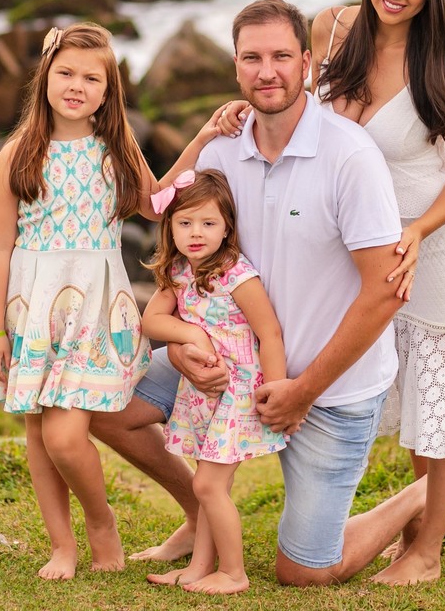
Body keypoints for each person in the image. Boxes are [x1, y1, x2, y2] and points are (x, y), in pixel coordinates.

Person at [90, 0, 436, 587]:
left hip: (328, 390)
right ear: (235, 67)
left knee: (304, 572)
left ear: (307, 64)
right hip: (231, 367)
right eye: (252, 58)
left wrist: (303, 389)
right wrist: (178, 347)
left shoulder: (349, 156)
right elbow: (173, 236)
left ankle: (423, 498)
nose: (266, 71)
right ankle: (201, 508)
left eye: (281, 56)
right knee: (102, 403)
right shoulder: (220, 154)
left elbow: (385, 293)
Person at [0, 22, 218, 580]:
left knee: (65, 433)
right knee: (40, 431)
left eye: (92, 78)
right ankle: (61, 545)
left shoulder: (114, 147)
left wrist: (202, 139)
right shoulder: (17, 154)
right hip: (34, 312)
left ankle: (101, 521)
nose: (76, 85)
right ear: (44, 79)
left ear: (108, 92)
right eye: (65, 73)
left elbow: (157, 204)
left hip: (94, 311)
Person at [312, 0, 445, 585]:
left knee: (441, 396)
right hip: (360, 248)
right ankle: (424, 518)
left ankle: (426, 552)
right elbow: (308, 124)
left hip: (436, 244)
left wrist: (417, 231)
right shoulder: (329, 30)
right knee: (397, 394)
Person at [141, 168, 286, 594]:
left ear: (227, 228)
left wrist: (274, 391)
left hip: (239, 391)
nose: (196, 233)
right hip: (204, 393)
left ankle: (234, 572)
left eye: (208, 223)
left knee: (206, 484)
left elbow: (270, 333)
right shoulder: (179, 271)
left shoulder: (236, 273)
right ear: (170, 227)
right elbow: (152, 319)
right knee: (210, 485)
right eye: (185, 223)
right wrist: (192, 333)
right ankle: (198, 568)